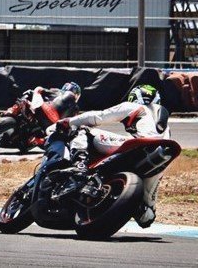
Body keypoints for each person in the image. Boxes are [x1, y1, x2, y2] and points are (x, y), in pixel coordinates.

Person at [47, 84, 169, 228]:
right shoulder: (165, 122)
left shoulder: (134, 106)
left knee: (83, 130)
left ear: (135, 97)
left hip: (139, 145)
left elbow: (98, 116)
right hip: (161, 158)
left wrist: (69, 122)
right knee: (147, 217)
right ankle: (137, 207)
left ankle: (80, 165)